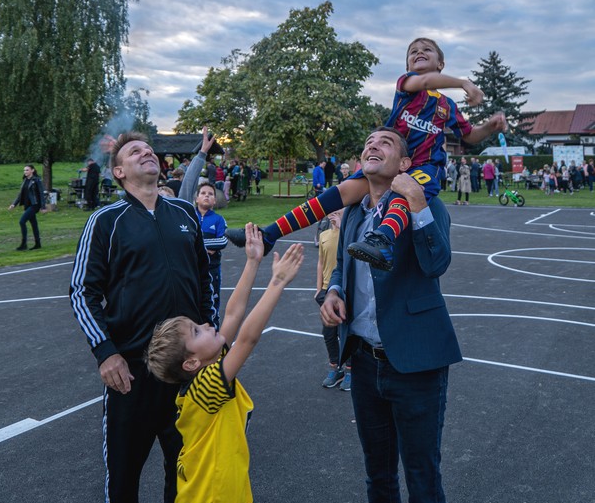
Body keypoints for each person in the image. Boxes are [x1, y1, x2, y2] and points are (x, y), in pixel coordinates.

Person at [69, 132, 214, 503]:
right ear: (119, 172)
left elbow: (206, 281)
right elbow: (81, 291)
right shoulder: (106, 221)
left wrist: (209, 339)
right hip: (129, 373)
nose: (146, 153)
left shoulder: (185, 214)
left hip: (186, 372)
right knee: (124, 471)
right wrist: (106, 353)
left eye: (149, 150)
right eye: (134, 152)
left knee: (184, 468)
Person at [320, 126, 461, 503]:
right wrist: (335, 289)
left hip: (416, 365)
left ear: (403, 164)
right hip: (364, 363)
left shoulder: (424, 202)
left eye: (386, 142)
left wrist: (419, 205)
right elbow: (342, 266)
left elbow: (437, 262)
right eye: (368, 142)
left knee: (424, 489)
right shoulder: (356, 210)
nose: (372, 145)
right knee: (378, 480)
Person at [226, 37, 507, 266]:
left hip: (423, 167)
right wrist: (463, 82)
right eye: (413, 52)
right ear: (408, 64)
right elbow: (424, 82)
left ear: (441, 62)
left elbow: (469, 135)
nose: (419, 52)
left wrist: (490, 126)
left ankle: (381, 240)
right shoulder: (407, 85)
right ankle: (270, 234)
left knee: (403, 190)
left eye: (427, 50)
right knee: (338, 194)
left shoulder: (447, 106)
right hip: (387, 160)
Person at [145, 226, 304, 503]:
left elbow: (232, 315)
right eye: (198, 331)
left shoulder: (206, 371)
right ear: (191, 363)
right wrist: (278, 282)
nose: (207, 326)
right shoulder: (206, 388)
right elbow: (248, 338)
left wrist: (252, 261)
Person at [315, 210, 351, 391]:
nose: (334, 213)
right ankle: (335, 368)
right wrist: (318, 288)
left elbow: (346, 256)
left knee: (346, 332)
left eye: (339, 209)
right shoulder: (323, 235)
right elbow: (320, 262)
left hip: (345, 291)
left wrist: (342, 225)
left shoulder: (348, 233)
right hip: (326, 290)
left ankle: (350, 370)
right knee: (328, 333)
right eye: (332, 210)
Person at [194, 183, 228, 323]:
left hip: (211, 269)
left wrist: (195, 245)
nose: (206, 195)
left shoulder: (218, 219)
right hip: (191, 268)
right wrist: (207, 246)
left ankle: (214, 331)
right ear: (196, 198)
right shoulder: (189, 216)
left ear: (214, 200)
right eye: (203, 193)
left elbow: (221, 242)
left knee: (212, 303)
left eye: (210, 194)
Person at [9, 163, 46, 250]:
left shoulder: (37, 180)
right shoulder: (25, 180)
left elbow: (41, 194)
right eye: (24, 170)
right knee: (34, 224)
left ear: (32, 170)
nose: (25, 172)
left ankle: (24, 244)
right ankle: (38, 244)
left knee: (22, 221)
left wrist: (43, 207)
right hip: (27, 205)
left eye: (27, 170)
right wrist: (14, 204)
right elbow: (20, 194)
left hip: (35, 205)